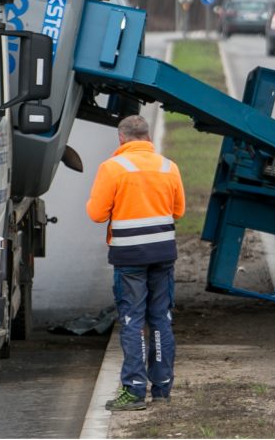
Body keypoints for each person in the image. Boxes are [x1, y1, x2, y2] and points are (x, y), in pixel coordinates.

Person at [86, 114, 185, 411]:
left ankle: (134, 390)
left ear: (122, 138)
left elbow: (97, 214)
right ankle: (163, 388)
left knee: (132, 320)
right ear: (148, 137)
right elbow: (177, 211)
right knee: (161, 318)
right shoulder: (169, 167)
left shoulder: (112, 168)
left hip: (129, 257)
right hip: (163, 254)